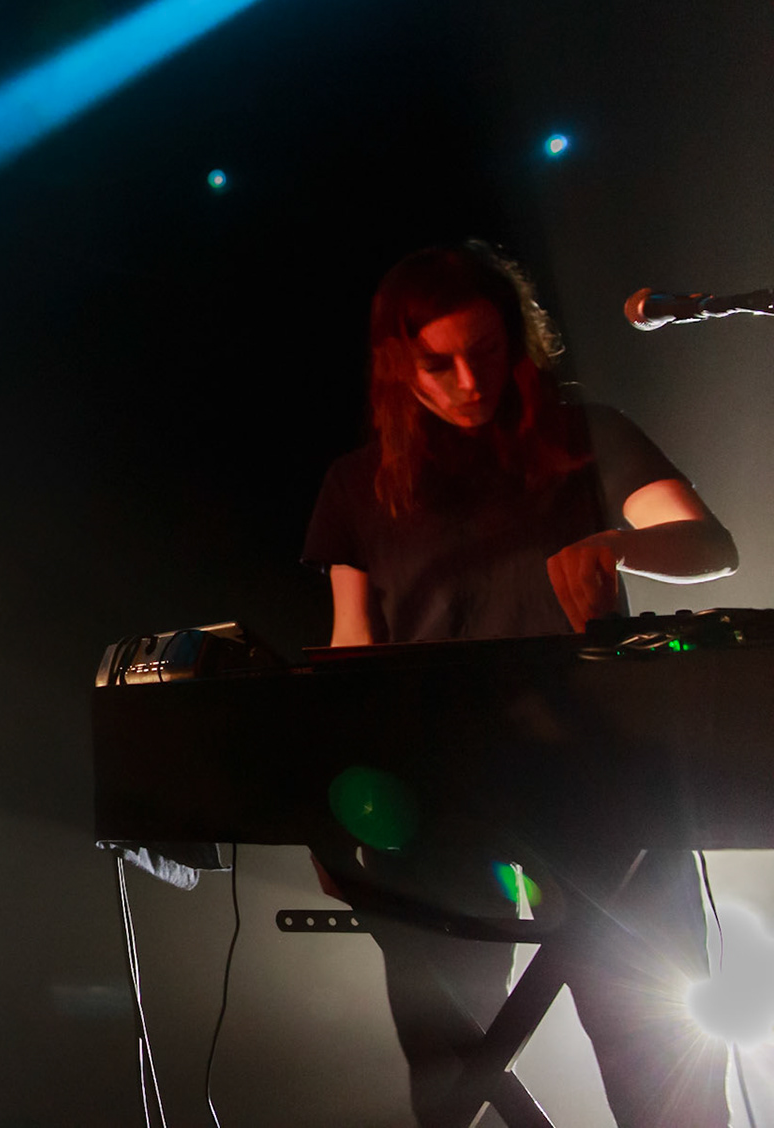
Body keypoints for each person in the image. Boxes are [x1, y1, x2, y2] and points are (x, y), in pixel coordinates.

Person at [301, 242, 736, 1127]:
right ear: (399, 365)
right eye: (439, 362)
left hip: (612, 804)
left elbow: (709, 547)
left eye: (489, 353)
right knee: (457, 1086)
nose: (469, 380)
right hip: (443, 822)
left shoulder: (589, 434)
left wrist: (622, 543)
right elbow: (351, 650)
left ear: (519, 343)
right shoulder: (355, 485)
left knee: (668, 1082)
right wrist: (328, 804)